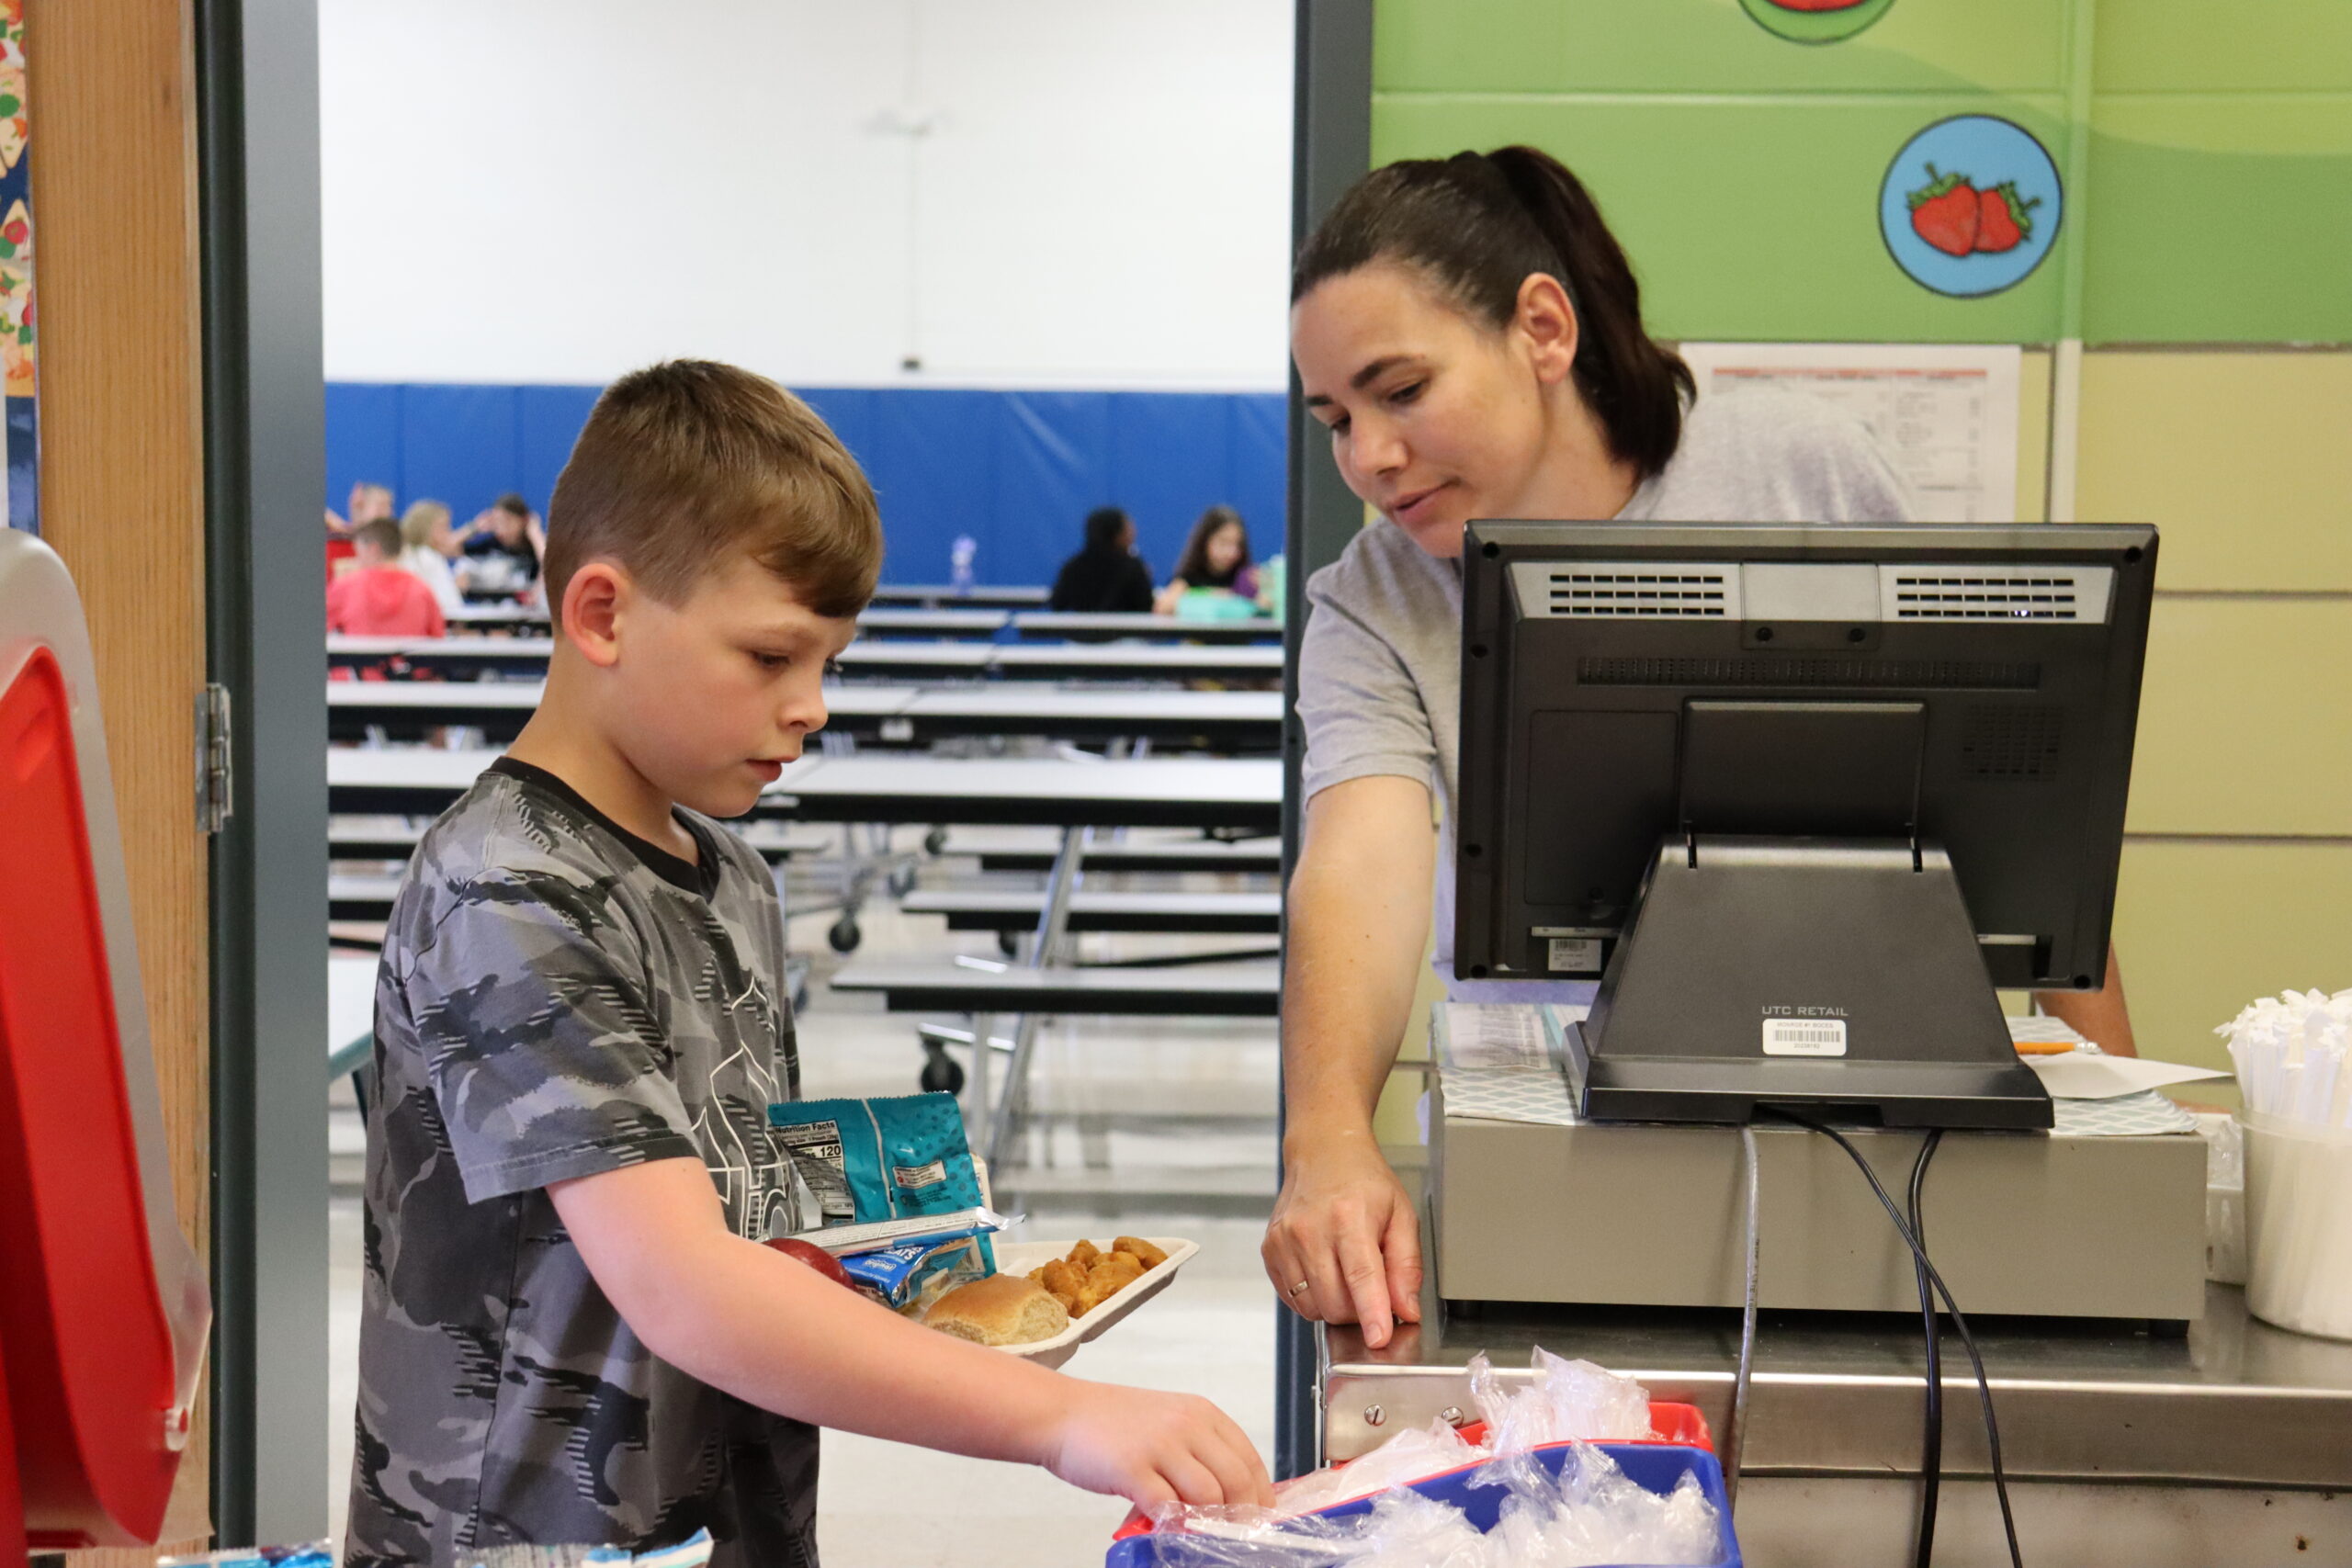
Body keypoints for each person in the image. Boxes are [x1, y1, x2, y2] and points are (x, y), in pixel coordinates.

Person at [345, 361, 1268, 1568]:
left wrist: (935, 1279)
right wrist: (1061, 1417)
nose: (814, 705)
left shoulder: (730, 870)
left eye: (828, 661)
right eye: (773, 657)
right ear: (603, 614)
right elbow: (679, 1282)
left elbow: (736, 1212)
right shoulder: (509, 887)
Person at [1264, 145, 2140, 1352]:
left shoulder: (1799, 468)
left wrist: (2115, 1121)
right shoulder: (1372, 602)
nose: (1367, 457)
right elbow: (1359, 861)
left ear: (1543, 326)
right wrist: (1327, 1143)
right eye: (1335, 420)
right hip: (1570, 1160)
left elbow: (2016, 785)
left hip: (1883, 1120)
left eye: (1400, 390)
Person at [325, 518, 447, 637]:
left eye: (358, 551)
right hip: (405, 658)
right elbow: (437, 634)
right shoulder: (422, 589)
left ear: (373, 549)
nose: (356, 558)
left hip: (357, 657)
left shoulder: (346, 586)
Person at [1153, 504, 1261, 615]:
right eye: (1223, 543)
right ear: (1205, 541)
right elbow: (1163, 607)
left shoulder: (1248, 580)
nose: (1231, 552)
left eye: (1237, 544)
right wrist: (1209, 595)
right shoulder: (1188, 579)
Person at [1047, 504, 1154, 612]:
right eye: (1128, 529)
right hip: (1124, 628)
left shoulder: (1073, 566)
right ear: (1117, 535)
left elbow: (1058, 603)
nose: (1133, 533)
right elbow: (1146, 605)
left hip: (1082, 628)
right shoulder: (1133, 568)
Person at [454, 490, 545, 594]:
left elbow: (548, 562)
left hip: (526, 608)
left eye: (508, 521)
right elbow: (450, 548)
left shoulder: (534, 547)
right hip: (488, 607)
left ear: (524, 520)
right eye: (497, 522)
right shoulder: (492, 544)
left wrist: (535, 533)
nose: (502, 528)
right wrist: (474, 527)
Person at [394, 499, 468, 615]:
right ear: (426, 528)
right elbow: (451, 604)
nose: (448, 532)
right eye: (444, 526)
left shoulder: (403, 554)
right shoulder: (429, 557)